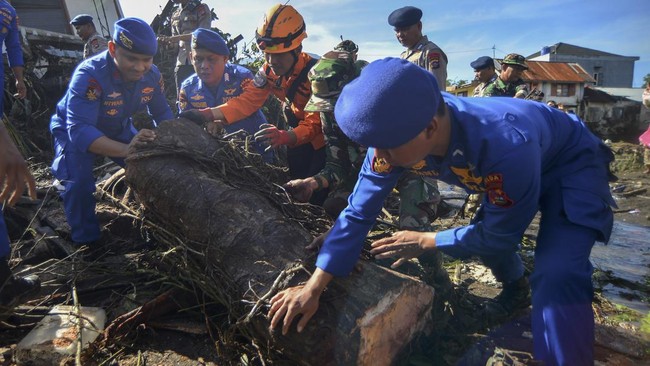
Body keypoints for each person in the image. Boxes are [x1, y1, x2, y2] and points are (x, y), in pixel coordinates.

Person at [268, 58, 616, 366]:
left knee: (557, 274)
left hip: (570, 165)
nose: (381, 159)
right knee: (485, 235)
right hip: (514, 168)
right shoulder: (398, 132)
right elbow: (359, 212)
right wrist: (313, 287)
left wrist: (427, 240)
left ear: (430, 129)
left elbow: (500, 235)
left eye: (387, 150)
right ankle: (515, 291)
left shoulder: (503, 144)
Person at [49, 17, 173, 248]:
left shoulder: (153, 76)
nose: (139, 67)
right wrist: (128, 150)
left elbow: (162, 112)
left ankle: (156, 222)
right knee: (77, 183)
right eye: (131, 59)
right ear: (113, 49)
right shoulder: (90, 75)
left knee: (152, 168)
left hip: (117, 127)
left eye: (146, 60)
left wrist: (170, 141)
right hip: (73, 129)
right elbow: (80, 131)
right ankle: (87, 242)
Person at [182, 4, 326, 197]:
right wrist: (206, 114)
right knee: (296, 188)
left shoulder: (317, 75)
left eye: (279, 54)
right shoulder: (268, 71)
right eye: (267, 53)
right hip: (295, 139)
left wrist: (285, 137)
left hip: (324, 141)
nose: (272, 61)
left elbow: (316, 123)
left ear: (297, 48)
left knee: (319, 194)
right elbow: (247, 100)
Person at [176, 28, 271, 161]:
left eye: (211, 59)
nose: (204, 66)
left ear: (225, 58)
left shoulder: (242, 78)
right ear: (191, 58)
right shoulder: (187, 89)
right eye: (198, 59)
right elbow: (187, 124)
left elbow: (250, 111)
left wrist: (221, 124)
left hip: (255, 148)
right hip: (213, 156)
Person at [159, 0, 212, 100]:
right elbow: (174, 46)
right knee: (183, 98)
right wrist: (167, 43)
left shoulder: (200, 8)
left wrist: (176, 38)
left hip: (200, 60)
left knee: (203, 97)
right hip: (182, 61)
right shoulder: (175, 14)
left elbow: (203, 34)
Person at [388, 6, 447, 90]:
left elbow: (437, 91)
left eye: (405, 29)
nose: (400, 34)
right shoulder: (404, 56)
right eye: (397, 31)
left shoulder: (430, 52)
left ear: (419, 26)